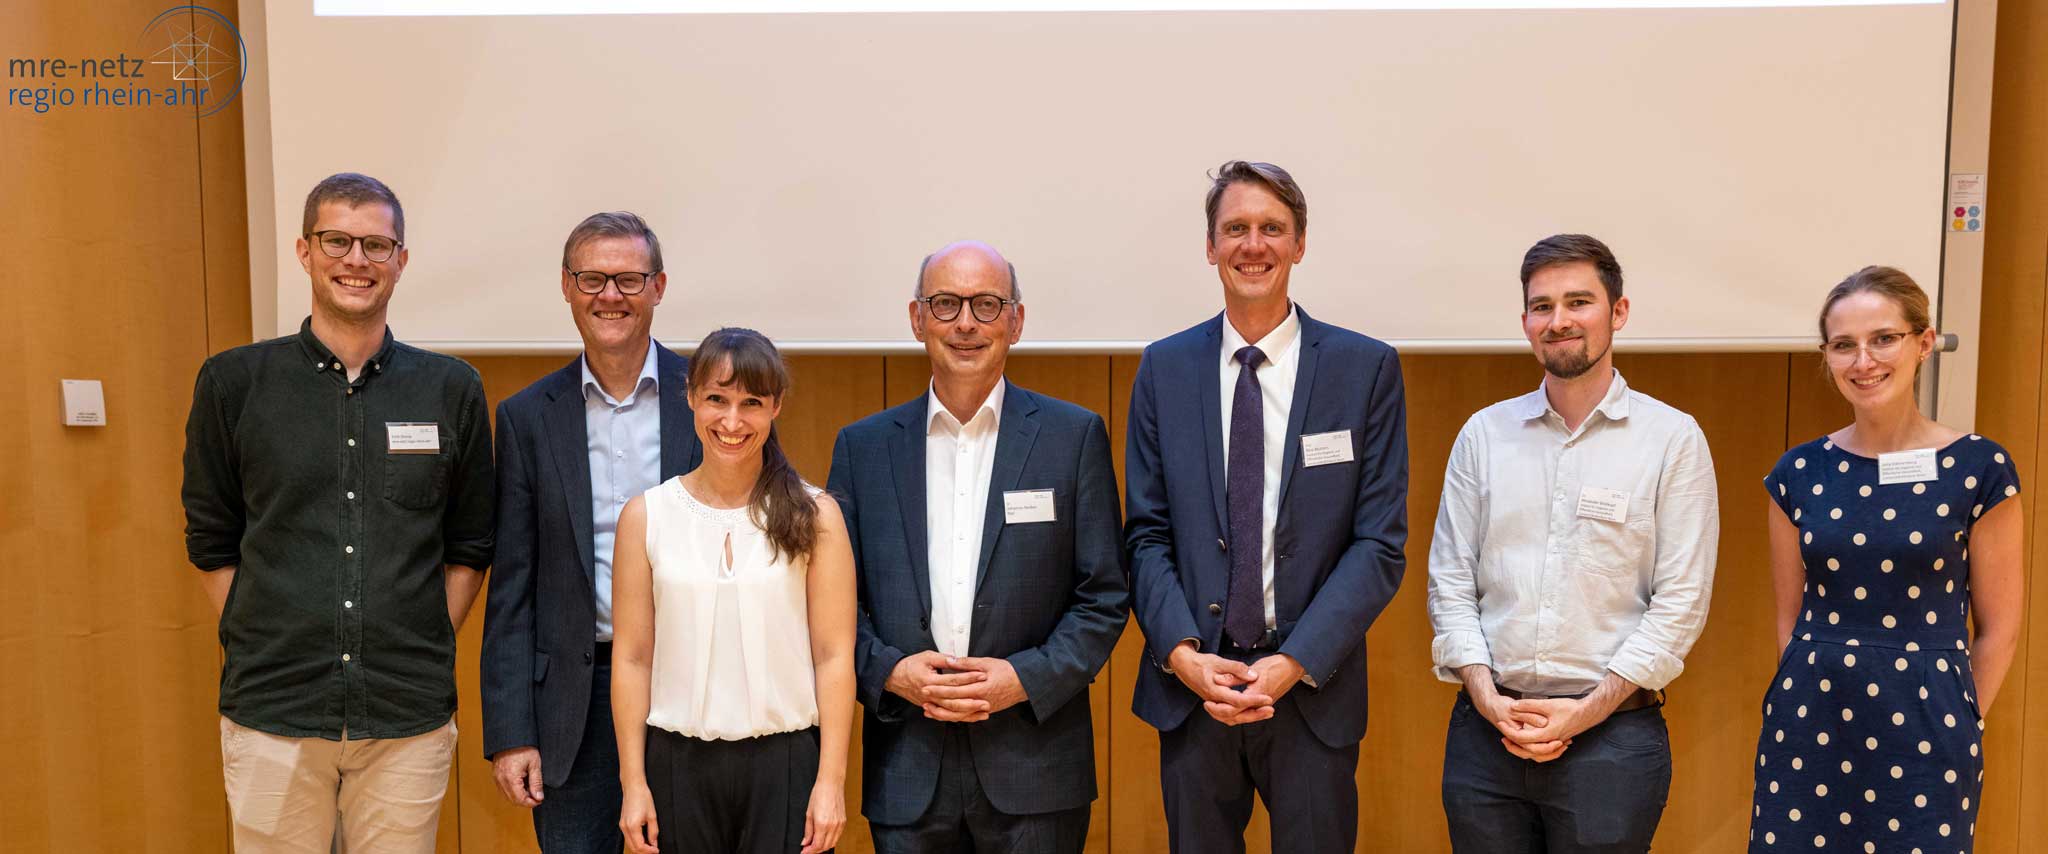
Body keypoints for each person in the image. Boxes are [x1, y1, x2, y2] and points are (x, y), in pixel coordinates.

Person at [181, 172, 492, 852]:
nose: (357, 259)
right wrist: (263, 630)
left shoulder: (451, 390)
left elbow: (470, 543)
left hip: (406, 717)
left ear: (401, 261)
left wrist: (427, 633)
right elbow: (211, 539)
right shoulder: (233, 384)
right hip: (273, 710)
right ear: (304, 251)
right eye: (337, 240)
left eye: (377, 244)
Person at [1124, 160, 1408, 853]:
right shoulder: (1165, 368)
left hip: (1311, 690)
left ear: (1300, 244)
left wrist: (1294, 662)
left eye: (1272, 229)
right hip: (1198, 693)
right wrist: (1184, 656)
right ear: (1211, 246)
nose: (1254, 245)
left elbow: (1378, 545)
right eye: (1236, 229)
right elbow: (1146, 535)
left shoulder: (1364, 369)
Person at [825, 241, 1129, 852]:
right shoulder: (863, 449)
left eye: (987, 304)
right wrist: (892, 674)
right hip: (907, 765)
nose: (966, 323)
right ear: (917, 319)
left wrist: (1023, 678)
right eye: (946, 304)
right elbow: (832, 607)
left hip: (1037, 767)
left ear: (1016, 321)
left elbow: (1104, 598)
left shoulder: (1073, 438)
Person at [1427, 233, 1719, 852]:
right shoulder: (1484, 434)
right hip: (1487, 737)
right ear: (1526, 320)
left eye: (1578, 302)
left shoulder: (1672, 440)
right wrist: (1486, 696)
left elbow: (1681, 602)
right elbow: (1450, 583)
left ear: (1618, 312)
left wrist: (1583, 712)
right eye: (1542, 306)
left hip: (1612, 744)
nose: (1558, 321)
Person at [1748, 267, 2023, 852]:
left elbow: (2000, 627)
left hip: (1931, 721)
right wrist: (1807, 697)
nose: (1863, 360)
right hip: (1811, 716)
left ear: (1923, 343)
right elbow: (1789, 620)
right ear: (1827, 356)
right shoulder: (1798, 474)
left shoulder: (1980, 469)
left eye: (1883, 338)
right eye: (1843, 345)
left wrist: (1962, 718)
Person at [481, 212, 703, 852]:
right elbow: (513, 586)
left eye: (630, 279)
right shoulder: (527, 418)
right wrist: (512, 731)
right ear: (567, 287)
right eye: (593, 279)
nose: (611, 295)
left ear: (659, 287)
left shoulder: (712, 400)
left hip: (690, 691)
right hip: (570, 710)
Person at [612, 327, 855, 854]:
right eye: (717, 400)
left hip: (785, 766)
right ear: (692, 398)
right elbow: (631, 659)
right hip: (676, 766)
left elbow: (834, 657)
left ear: (776, 407)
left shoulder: (817, 516)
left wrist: (830, 782)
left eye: (751, 403)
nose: (732, 421)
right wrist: (634, 785)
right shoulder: (646, 516)